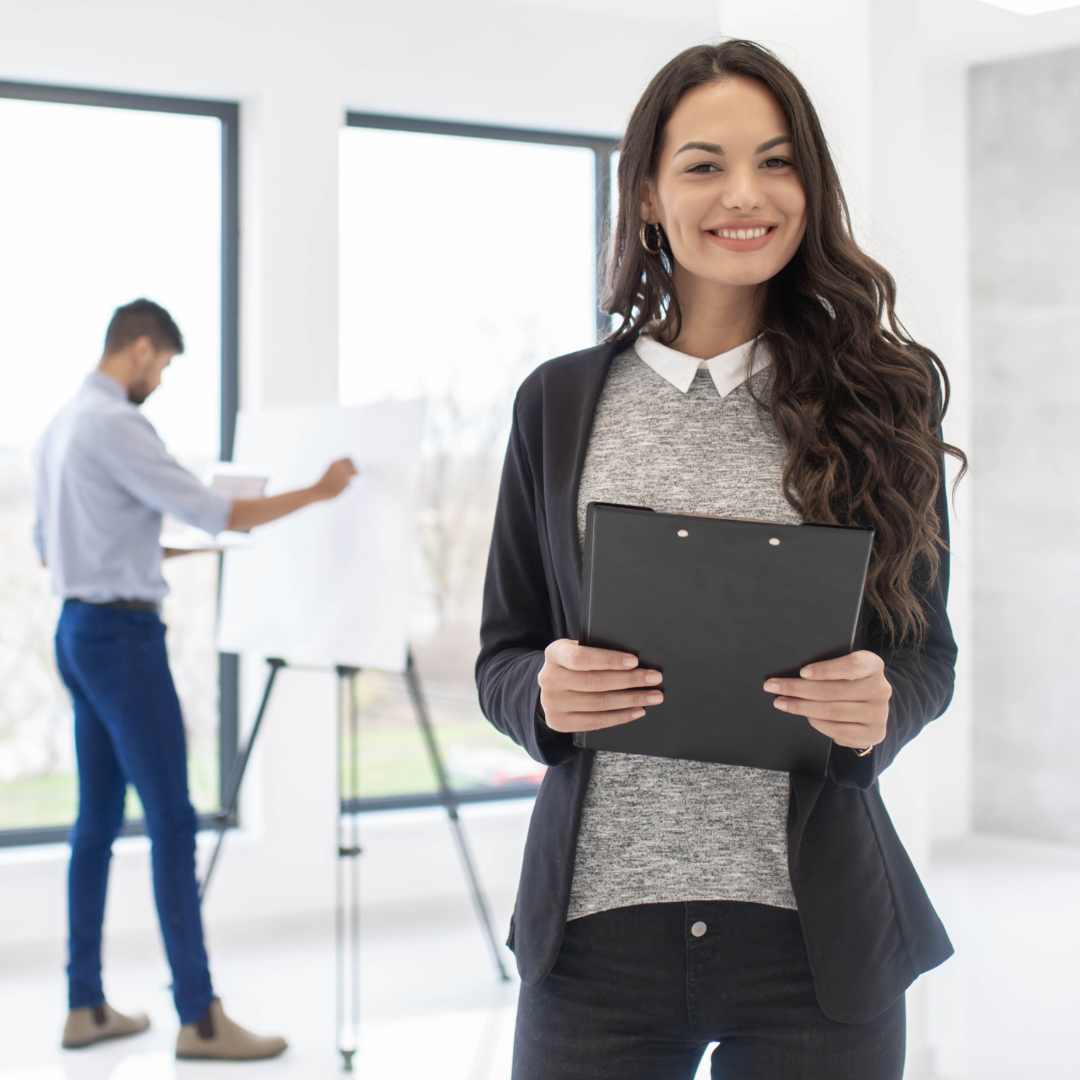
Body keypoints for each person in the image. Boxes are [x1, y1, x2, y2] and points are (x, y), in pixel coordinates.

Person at [476, 40, 967, 1080]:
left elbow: (927, 659)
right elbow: (504, 655)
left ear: (810, 185)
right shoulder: (559, 403)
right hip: (594, 940)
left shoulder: (887, 395)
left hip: (814, 944)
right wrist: (544, 693)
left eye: (776, 161)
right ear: (649, 193)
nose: (744, 193)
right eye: (704, 164)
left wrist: (884, 706)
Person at [34, 298, 357, 1060]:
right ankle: (201, 1019)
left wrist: (178, 555)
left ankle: (84, 1004)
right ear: (141, 349)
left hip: (78, 632)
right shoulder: (118, 423)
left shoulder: (58, 428)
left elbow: (66, 551)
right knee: (173, 823)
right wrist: (319, 490)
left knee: (95, 825)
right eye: (166, 366)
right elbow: (220, 512)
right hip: (122, 641)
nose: (162, 380)